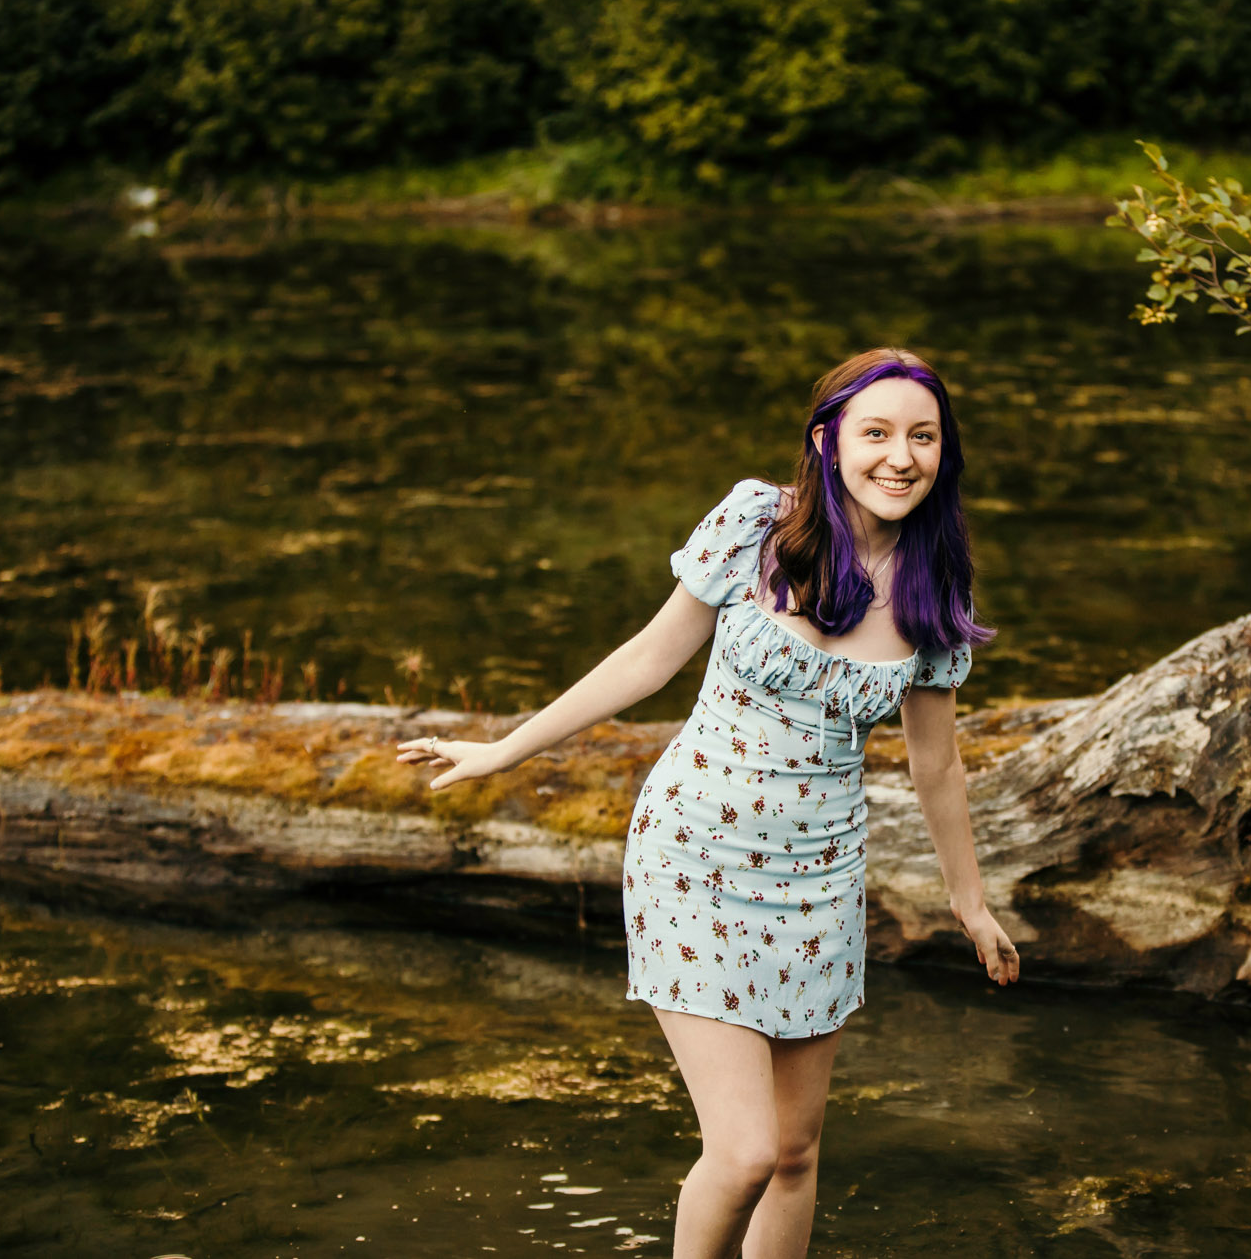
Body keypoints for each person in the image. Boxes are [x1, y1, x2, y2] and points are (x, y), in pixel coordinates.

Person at [396, 347, 1022, 1258]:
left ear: (944, 452)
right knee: (742, 1151)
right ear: (827, 442)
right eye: (875, 432)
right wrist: (503, 749)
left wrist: (971, 903)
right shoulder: (755, 526)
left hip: (818, 885)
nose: (900, 456)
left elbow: (938, 767)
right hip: (695, 861)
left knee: (797, 1154)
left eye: (922, 436)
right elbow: (647, 660)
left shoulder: (933, 588)